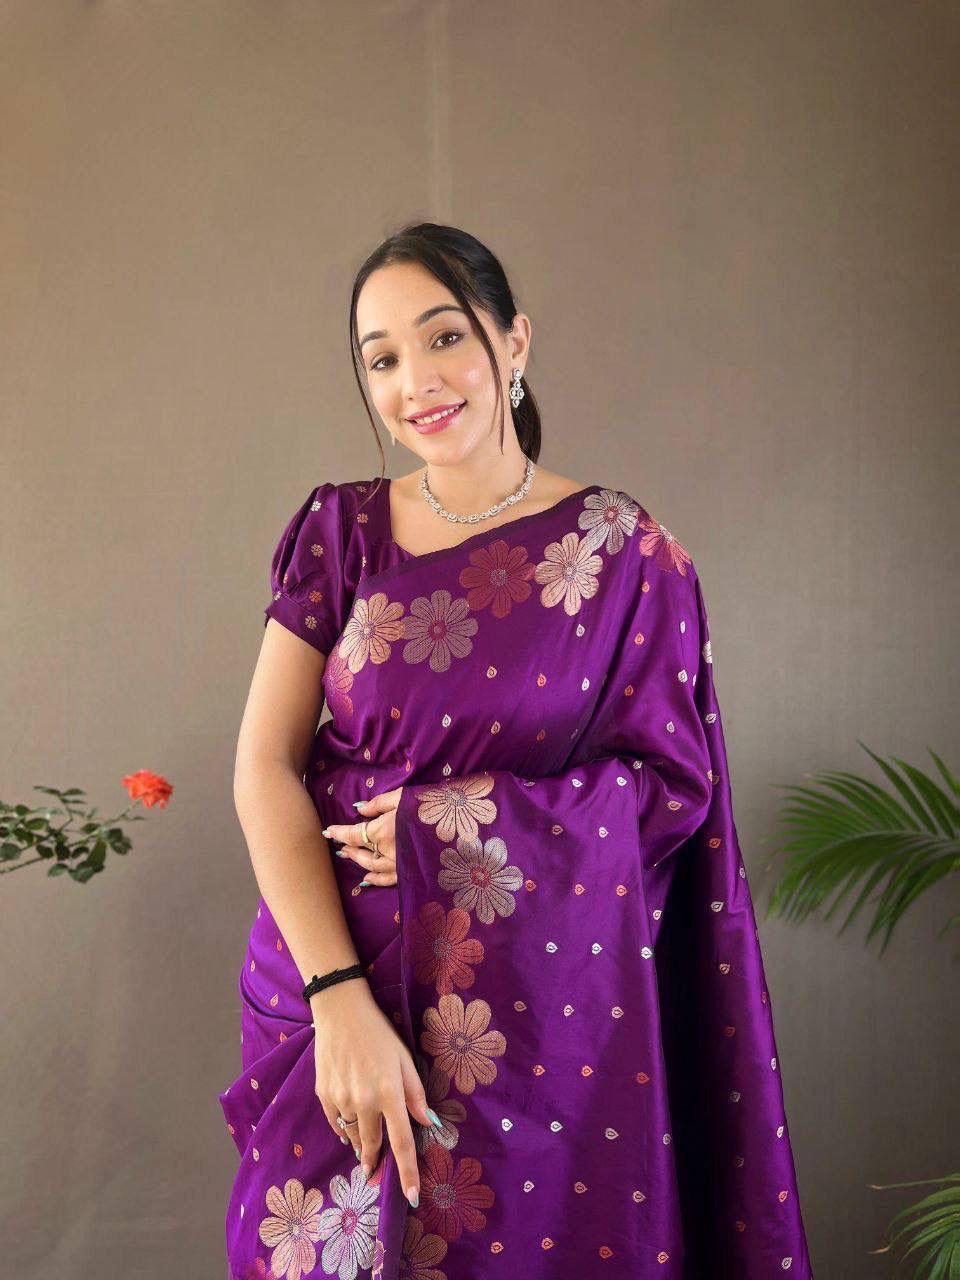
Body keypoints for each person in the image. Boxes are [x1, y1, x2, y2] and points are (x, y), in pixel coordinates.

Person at [219, 222, 814, 1280]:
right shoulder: (341, 531)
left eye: (444, 337)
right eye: (382, 358)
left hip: (537, 1027)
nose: (416, 381)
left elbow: (673, 790)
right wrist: (336, 994)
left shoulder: (623, 554)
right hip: (332, 998)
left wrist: (454, 829)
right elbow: (263, 767)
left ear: (515, 340)